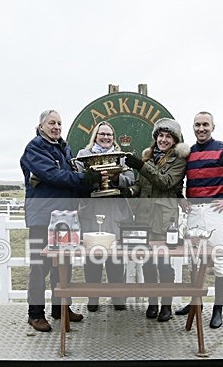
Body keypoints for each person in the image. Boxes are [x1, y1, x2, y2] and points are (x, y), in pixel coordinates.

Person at [21, 109, 102, 332]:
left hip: (64, 218)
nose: (56, 127)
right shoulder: (35, 148)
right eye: (51, 123)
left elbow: (68, 179)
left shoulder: (64, 148)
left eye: (59, 123)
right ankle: (35, 313)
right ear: (41, 126)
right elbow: (54, 176)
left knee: (63, 265)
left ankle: (60, 309)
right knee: (40, 267)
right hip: (42, 218)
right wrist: (84, 179)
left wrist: (87, 184)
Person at [174, 112, 223, 328]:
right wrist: (181, 199)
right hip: (193, 212)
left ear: (213, 127)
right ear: (193, 127)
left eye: (205, 125)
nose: (201, 128)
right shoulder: (188, 153)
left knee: (219, 260)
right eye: (197, 125)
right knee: (193, 259)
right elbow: (176, 180)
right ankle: (195, 304)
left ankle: (218, 310)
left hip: (215, 211)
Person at [124, 118, 188, 322]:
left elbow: (165, 182)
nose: (163, 139)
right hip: (143, 218)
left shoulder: (178, 161)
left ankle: (166, 306)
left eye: (168, 136)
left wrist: (141, 166)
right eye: (160, 135)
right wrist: (129, 190)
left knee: (163, 263)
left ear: (174, 140)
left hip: (164, 220)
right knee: (148, 262)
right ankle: (152, 302)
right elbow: (140, 185)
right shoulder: (148, 158)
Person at [74, 121, 136, 312]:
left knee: (115, 257)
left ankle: (118, 297)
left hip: (115, 212)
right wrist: (93, 181)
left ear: (113, 137)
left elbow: (131, 178)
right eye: (102, 134)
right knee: (92, 257)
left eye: (109, 134)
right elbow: (77, 178)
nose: (106, 137)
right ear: (95, 135)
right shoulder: (83, 156)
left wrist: (116, 179)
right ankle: (93, 298)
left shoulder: (121, 158)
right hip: (91, 212)